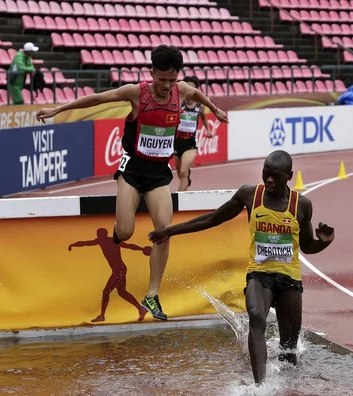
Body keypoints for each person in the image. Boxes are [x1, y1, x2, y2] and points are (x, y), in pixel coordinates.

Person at [36, 45, 229, 322]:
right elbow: (97, 99)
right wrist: (58, 108)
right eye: (161, 80)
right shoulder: (136, 93)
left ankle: (152, 294)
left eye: (171, 81)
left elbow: (197, 93)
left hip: (159, 172)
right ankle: (118, 230)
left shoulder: (182, 91)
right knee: (125, 232)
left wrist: (215, 109)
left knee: (164, 230)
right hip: (132, 169)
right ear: (152, 73)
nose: (166, 87)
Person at [148, 150, 335, 384]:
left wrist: (324, 243)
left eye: (275, 176)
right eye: (265, 173)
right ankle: (260, 387)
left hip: (289, 280)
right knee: (256, 316)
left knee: (288, 352)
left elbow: (307, 247)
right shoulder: (250, 195)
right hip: (259, 275)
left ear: (289, 176)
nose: (268, 180)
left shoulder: (301, 205)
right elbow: (213, 218)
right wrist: (170, 231)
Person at [68, 228, 151, 323]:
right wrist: (73, 245)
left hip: (119, 270)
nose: (98, 236)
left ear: (103, 235)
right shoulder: (100, 241)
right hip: (119, 270)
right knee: (122, 292)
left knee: (106, 291)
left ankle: (102, 316)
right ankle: (141, 309)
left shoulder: (111, 240)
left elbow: (128, 246)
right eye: (98, 235)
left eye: (99, 234)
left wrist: (141, 249)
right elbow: (85, 243)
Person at [173, 75, 212, 191]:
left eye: (192, 88)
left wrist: (208, 130)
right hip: (176, 142)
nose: (189, 91)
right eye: (187, 87)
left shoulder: (200, 106)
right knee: (181, 174)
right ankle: (187, 178)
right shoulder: (178, 103)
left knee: (184, 172)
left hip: (190, 143)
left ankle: (180, 202)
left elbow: (203, 117)